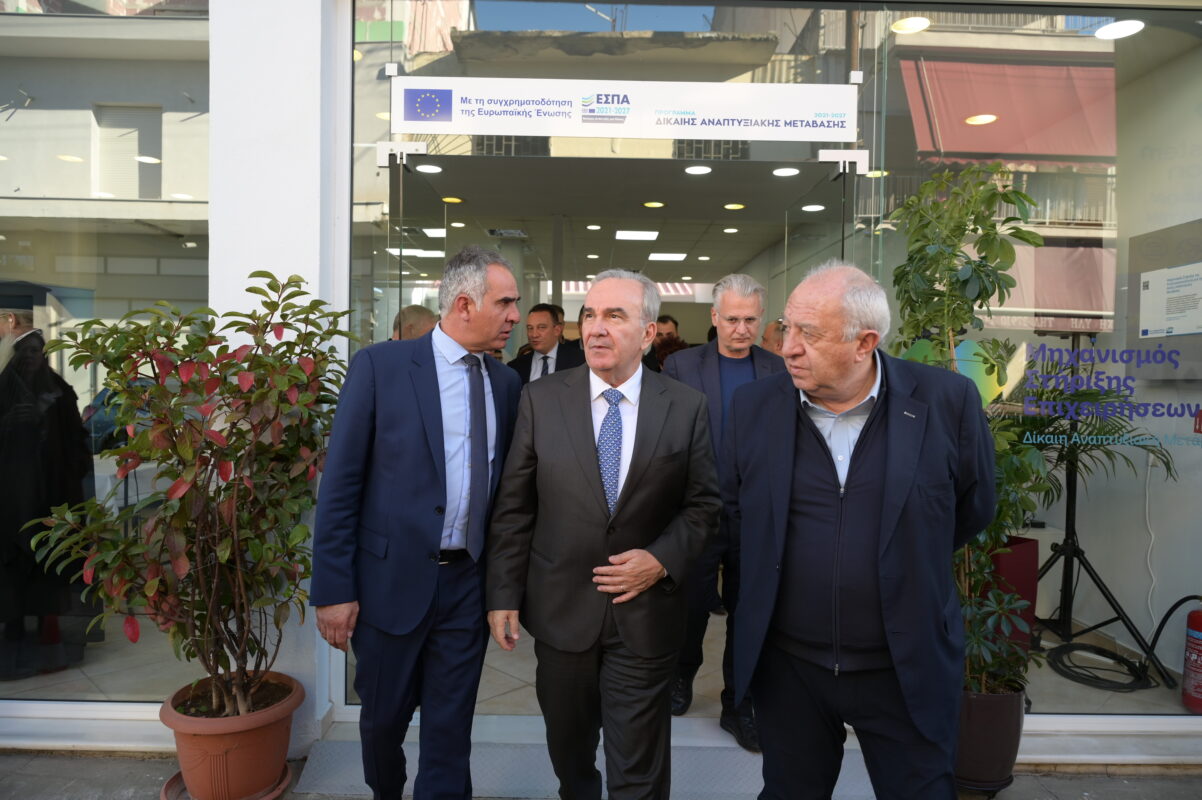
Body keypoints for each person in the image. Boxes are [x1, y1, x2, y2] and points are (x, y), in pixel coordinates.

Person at [724, 261, 995, 800]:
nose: (787, 347)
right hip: (790, 669)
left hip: (904, 668)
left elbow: (972, 508)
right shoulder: (754, 407)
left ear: (864, 342)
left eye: (810, 334)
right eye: (787, 328)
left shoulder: (946, 401)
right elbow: (734, 514)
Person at [487, 269, 720, 800]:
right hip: (562, 610)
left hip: (646, 616)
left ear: (648, 333)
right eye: (589, 315)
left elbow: (705, 505)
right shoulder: (541, 400)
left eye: (615, 316)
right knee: (570, 755)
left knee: (638, 769)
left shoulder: (686, 407)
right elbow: (515, 507)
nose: (595, 328)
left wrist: (660, 559)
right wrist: (503, 594)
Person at [311, 245, 522, 800]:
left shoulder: (505, 384)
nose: (515, 316)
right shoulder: (380, 368)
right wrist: (333, 589)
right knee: (383, 723)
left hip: (466, 588)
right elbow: (340, 486)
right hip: (389, 585)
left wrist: (503, 590)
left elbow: (506, 498)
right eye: (505, 303)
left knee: (451, 732)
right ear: (464, 304)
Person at [661, 273, 784, 752]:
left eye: (750, 320)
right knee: (690, 605)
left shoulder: (777, 368)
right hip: (698, 509)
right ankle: (681, 677)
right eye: (732, 319)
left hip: (756, 513)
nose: (741, 329)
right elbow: (668, 440)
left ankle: (739, 703)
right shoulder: (681, 366)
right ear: (715, 317)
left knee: (748, 611)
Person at [0, 298, 90, 680]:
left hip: (51, 494)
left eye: (37, 351)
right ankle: (13, 634)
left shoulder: (59, 391)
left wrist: (42, 422)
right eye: (25, 352)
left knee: (50, 565)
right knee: (12, 565)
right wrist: (10, 421)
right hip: (10, 496)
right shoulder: (4, 389)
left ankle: (50, 635)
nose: (31, 358)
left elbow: (76, 443)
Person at [507, 303, 584, 386]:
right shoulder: (515, 367)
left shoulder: (580, 361)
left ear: (557, 330)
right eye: (530, 328)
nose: (534, 334)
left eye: (541, 327)